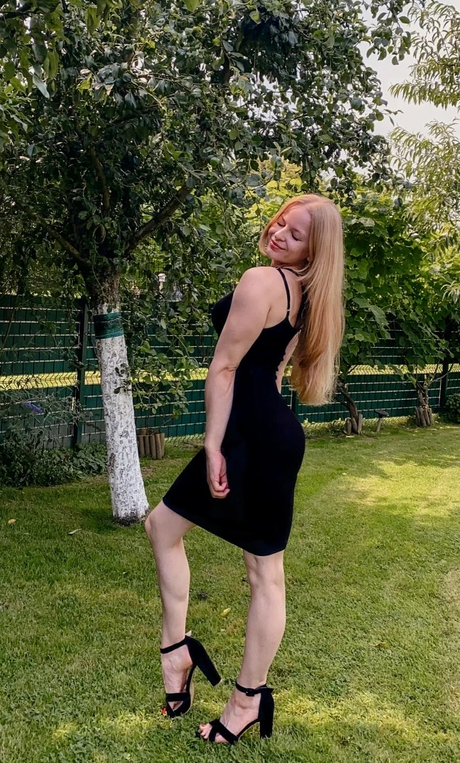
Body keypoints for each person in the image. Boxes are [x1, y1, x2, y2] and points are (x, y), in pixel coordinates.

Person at [144, 193, 345, 745]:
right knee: (164, 528)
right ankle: (176, 652)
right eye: (282, 221)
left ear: (313, 251)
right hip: (266, 433)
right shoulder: (307, 297)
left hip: (250, 438)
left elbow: (226, 367)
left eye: (296, 234)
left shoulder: (262, 281)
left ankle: (245, 701)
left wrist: (214, 446)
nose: (279, 232)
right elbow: (272, 374)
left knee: (263, 573)